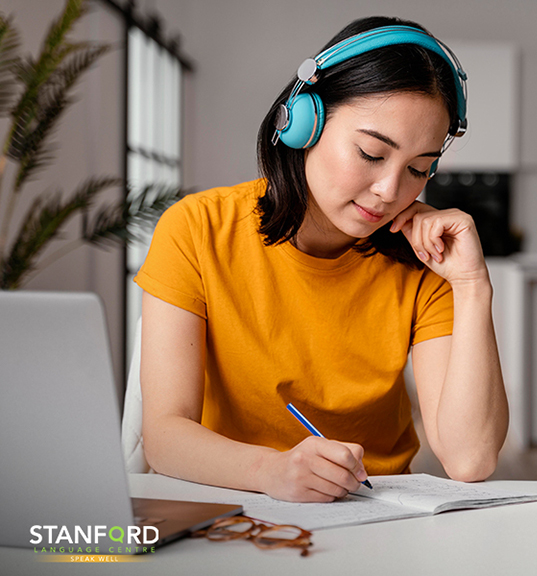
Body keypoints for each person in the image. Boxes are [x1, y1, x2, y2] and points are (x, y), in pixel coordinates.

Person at [136, 15, 508, 504]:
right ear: (303, 122)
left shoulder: (428, 259)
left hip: (379, 515)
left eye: (419, 168)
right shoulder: (198, 229)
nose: (390, 191)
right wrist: (273, 471)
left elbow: (470, 459)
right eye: (371, 153)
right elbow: (164, 437)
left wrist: (473, 285)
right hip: (237, 501)